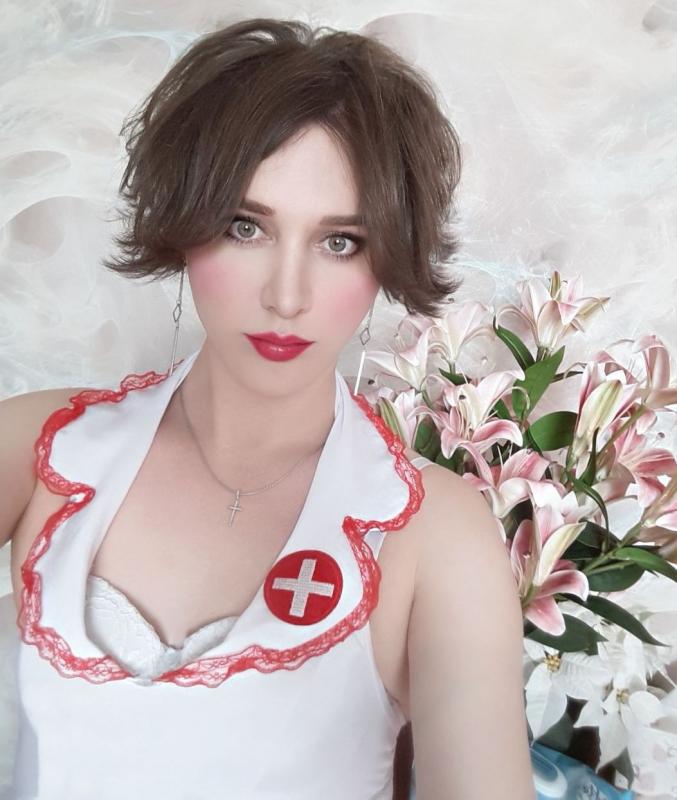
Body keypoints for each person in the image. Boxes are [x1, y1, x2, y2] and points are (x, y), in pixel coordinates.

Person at [0, 17, 536, 799]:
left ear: (386, 254)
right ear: (186, 226)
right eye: (245, 226)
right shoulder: (39, 449)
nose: (286, 296)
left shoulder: (433, 534)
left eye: (339, 242)